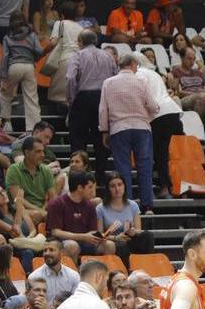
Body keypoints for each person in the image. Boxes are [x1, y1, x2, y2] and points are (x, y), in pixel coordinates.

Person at [99, 54, 159, 212]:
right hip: (141, 128)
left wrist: (104, 130)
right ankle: (147, 206)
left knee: (123, 169)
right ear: (132, 64)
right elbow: (153, 106)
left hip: (118, 129)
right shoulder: (142, 81)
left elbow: (103, 110)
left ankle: (128, 206)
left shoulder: (108, 83)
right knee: (145, 167)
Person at [66, 30, 117, 167]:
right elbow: (115, 76)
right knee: (101, 137)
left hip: (83, 97)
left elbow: (70, 78)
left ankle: (79, 171)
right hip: (103, 97)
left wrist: (72, 99)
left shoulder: (77, 55)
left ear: (81, 42)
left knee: (77, 137)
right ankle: (100, 173)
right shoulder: (108, 56)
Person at [47, 172, 115, 259]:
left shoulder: (90, 205)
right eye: (90, 187)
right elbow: (56, 232)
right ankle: (72, 268)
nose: (92, 191)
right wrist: (82, 236)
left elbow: (92, 231)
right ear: (79, 188)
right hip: (62, 242)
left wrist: (99, 236)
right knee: (72, 245)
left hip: (84, 241)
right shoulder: (57, 203)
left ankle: (102, 268)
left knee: (109, 245)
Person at [98, 174, 153, 256]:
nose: (117, 189)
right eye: (113, 186)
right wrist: (115, 238)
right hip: (113, 242)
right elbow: (99, 235)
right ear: (108, 189)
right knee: (121, 247)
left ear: (124, 186)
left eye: (119, 185)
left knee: (147, 235)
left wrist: (133, 232)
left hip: (129, 239)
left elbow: (138, 230)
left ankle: (146, 261)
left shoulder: (133, 205)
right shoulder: (100, 208)